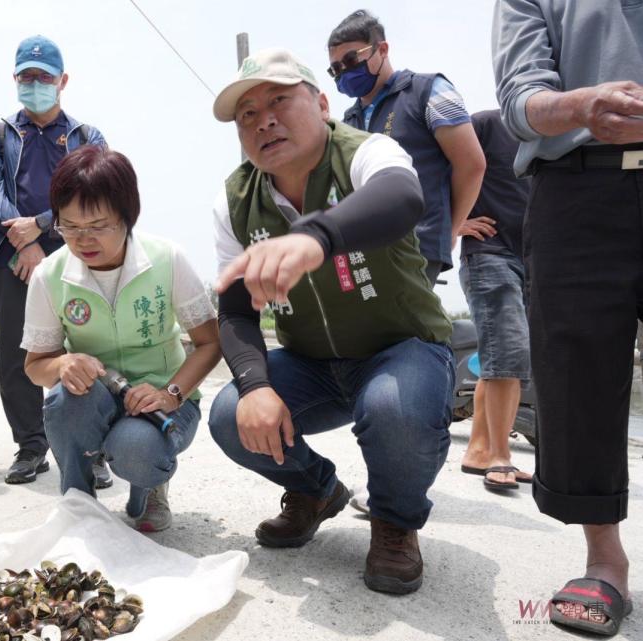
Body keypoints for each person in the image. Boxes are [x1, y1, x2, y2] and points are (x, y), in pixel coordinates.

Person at [209, 48, 454, 595]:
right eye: (246, 115)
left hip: (402, 351)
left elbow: (402, 196)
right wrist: (254, 384)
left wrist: (315, 236)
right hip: (313, 365)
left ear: (321, 104)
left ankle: (394, 519)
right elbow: (234, 309)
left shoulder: (368, 151)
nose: (264, 120)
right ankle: (316, 489)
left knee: (396, 410)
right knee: (230, 414)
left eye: (279, 100)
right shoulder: (235, 201)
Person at [493, 0, 643, 635]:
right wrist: (581, 106)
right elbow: (519, 98)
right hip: (578, 185)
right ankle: (603, 560)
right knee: (577, 373)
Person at [22, 145, 220, 531]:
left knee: (137, 449)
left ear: (127, 217)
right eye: (70, 227)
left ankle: (149, 489)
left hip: (163, 402)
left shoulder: (168, 258)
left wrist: (170, 394)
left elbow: (210, 343)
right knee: (64, 399)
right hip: (96, 397)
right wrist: (62, 363)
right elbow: (35, 368)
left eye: (98, 226)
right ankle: (78, 502)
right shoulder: (50, 274)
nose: (83, 240)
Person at [0, 35, 107, 486]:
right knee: (18, 352)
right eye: (26, 77)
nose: (35, 85)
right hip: (15, 259)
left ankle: (95, 446)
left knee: (89, 347)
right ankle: (31, 445)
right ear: (15, 80)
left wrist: (44, 226)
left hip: (79, 252)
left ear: (62, 80)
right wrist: (24, 241)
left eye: (44, 77)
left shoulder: (88, 137)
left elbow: (96, 191)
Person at [328, 9, 486, 283]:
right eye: (336, 68)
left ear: (382, 49)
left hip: (417, 248)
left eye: (352, 59)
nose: (344, 71)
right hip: (366, 253)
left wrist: (450, 227)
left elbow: (471, 164)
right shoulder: (347, 122)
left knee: (405, 324)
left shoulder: (428, 91)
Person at [457, 109, 532, 492]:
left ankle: (479, 450)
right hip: (490, 252)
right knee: (508, 355)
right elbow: (433, 166)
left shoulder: (552, 138)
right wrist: (456, 224)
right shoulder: (486, 124)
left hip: (532, 259)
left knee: (500, 360)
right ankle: (501, 456)